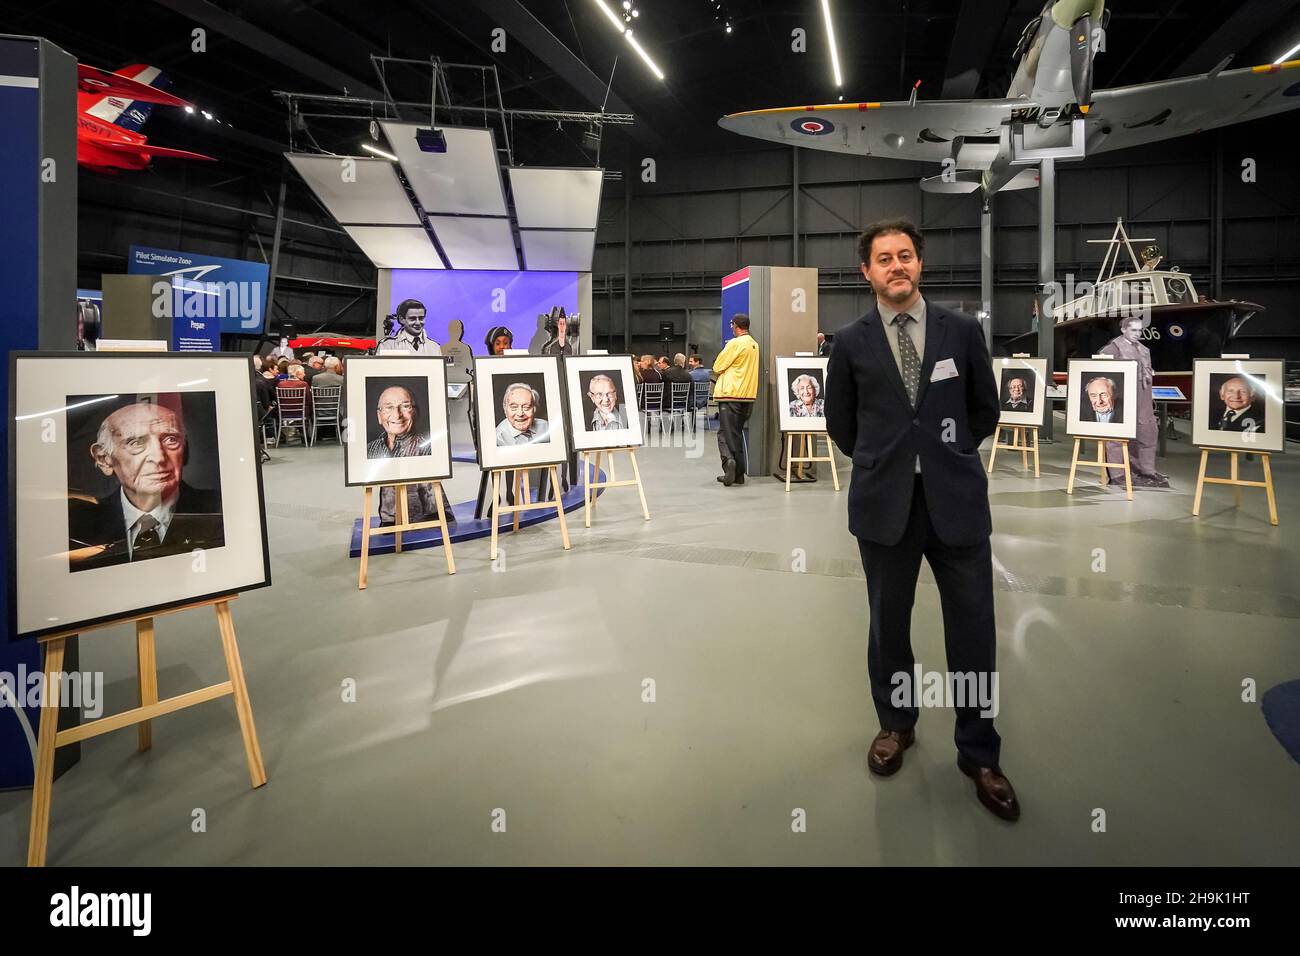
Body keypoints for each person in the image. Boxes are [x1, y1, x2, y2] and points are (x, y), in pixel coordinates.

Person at [825, 218, 1018, 822]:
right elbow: (842, 426)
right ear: (867, 272)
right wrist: (890, 460)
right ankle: (896, 724)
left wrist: (947, 455)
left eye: (905, 255)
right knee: (889, 625)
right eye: (883, 259)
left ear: (920, 264)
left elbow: (984, 410)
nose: (896, 266)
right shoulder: (851, 342)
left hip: (956, 505)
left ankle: (978, 751)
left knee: (974, 630)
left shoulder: (961, 332)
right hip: (885, 508)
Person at [68, 400, 224, 571]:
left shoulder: (220, 509)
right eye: (136, 442)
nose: (159, 457)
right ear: (104, 459)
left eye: (171, 440)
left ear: (185, 451)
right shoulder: (77, 525)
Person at [1101, 316, 1168, 487]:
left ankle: (1146, 470)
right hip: (1123, 399)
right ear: (1124, 330)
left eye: (1140, 330)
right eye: (1134, 330)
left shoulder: (1144, 350)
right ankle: (1118, 473)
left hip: (1143, 399)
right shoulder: (1112, 349)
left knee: (1148, 432)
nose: (1138, 334)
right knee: (1117, 436)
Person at [712, 313, 759, 486]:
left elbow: (718, 366)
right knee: (736, 434)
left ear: (736, 325)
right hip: (747, 396)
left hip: (730, 394)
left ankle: (728, 463)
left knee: (724, 434)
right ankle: (739, 475)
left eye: (732, 324)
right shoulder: (754, 344)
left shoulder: (735, 343)